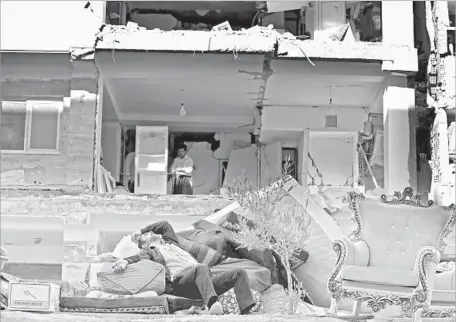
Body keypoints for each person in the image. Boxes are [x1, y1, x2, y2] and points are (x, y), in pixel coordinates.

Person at [112, 221, 255, 315]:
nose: (149, 233)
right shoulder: (150, 251)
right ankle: (213, 305)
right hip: (180, 282)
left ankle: (246, 312)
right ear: (144, 245)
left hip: (203, 280)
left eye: (149, 232)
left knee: (239, 273)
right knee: (201, 267)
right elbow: (137, 257)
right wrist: (124, 261)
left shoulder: (171, 242)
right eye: (145, 235)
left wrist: (141, 230)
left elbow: (164, 225)